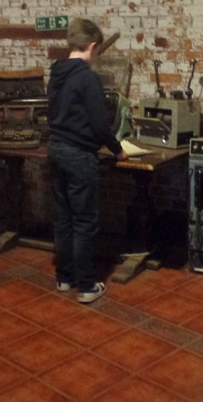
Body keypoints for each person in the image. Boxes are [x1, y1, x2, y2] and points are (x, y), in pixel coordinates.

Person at [48, 18, 128, 303]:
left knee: (64, 218)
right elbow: (99, 123)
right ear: (92, 46)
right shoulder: (87, 77)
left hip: (56, 149)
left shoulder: (56, 72)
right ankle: (86, 286)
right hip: (79, 154)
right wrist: (117, 149)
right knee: (84, 221)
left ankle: (64, 277)